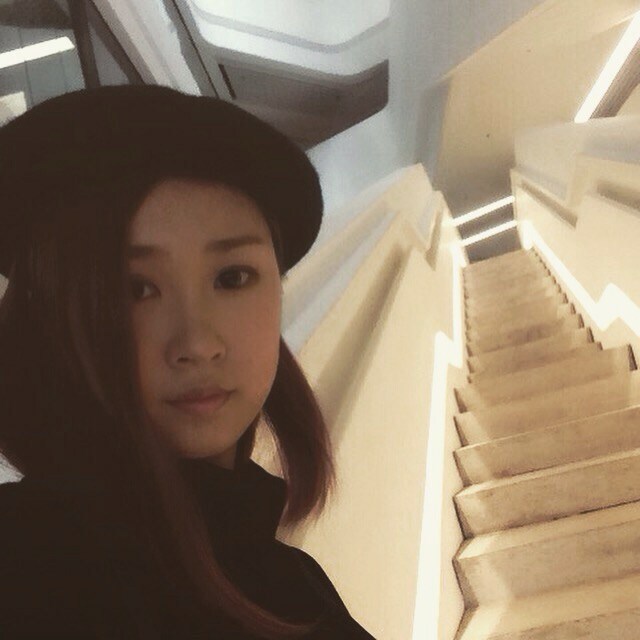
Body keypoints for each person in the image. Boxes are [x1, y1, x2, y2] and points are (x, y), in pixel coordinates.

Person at [0, 85, 376, 639]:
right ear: (52, 316)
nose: (198, 343)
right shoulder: (31, 566)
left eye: (233, 277)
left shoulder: (288, 576)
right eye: (133, 289)